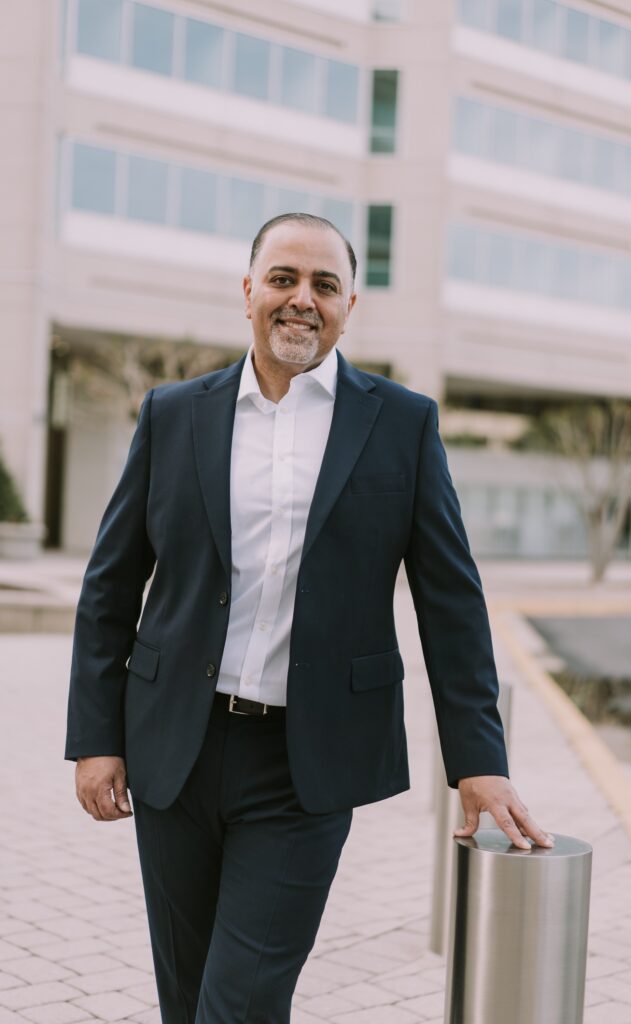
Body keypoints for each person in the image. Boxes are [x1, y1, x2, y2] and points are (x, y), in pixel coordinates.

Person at [65, 212, 553, 1024]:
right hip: (172, 749)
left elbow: (450, 600)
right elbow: (110, 586)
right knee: (185, 1000)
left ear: (349, 304)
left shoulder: (400, 422)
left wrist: (478, 757)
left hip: (304, 765)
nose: (302, 299)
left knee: (241, 1003)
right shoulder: (173, 413)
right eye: (284, 279)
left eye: (324, 284)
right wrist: (95, 738)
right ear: (248, 291)